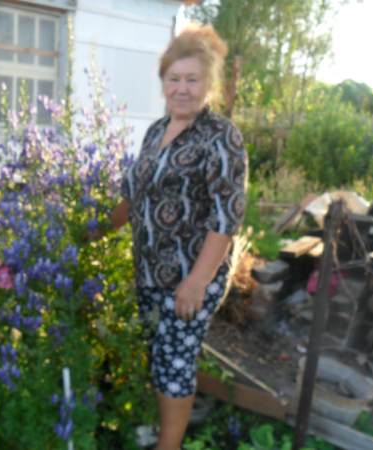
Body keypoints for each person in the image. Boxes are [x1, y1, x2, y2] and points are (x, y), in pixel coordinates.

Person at [101, 25, 248, 449]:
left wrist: (197, 282)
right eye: (174, 78)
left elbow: (226, 216)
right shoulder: (155, 131)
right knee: (159, 356)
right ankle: (163, 429)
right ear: (163, 81)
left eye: (192, 79)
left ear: (208, 84)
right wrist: (93, 230)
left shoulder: (221, 136)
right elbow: (134, 196)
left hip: (191, 275)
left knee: (174, 365)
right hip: (150, 271)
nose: (182, 88)